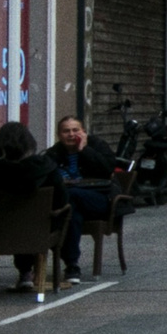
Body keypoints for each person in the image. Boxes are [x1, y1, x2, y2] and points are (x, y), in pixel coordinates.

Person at [0, 122, 59, 291]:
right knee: (30, 218)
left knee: (17, 218)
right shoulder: (45, 169)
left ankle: (21, 275)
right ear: (29, 146)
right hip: (34, 234)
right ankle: (28, 272)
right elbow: (62, 201)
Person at [47, 116, 126, 284]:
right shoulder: (54, 153)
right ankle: (72, 265)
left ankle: (67, 263)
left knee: (71, 197)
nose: (71, 134)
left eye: (75, 130)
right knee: (72, 212)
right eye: (66, 131)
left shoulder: (97, 146)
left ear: (83, 132)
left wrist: (84, 150)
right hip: (72, 204)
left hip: (100, 199)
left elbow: (107, 170)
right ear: (59, 135)